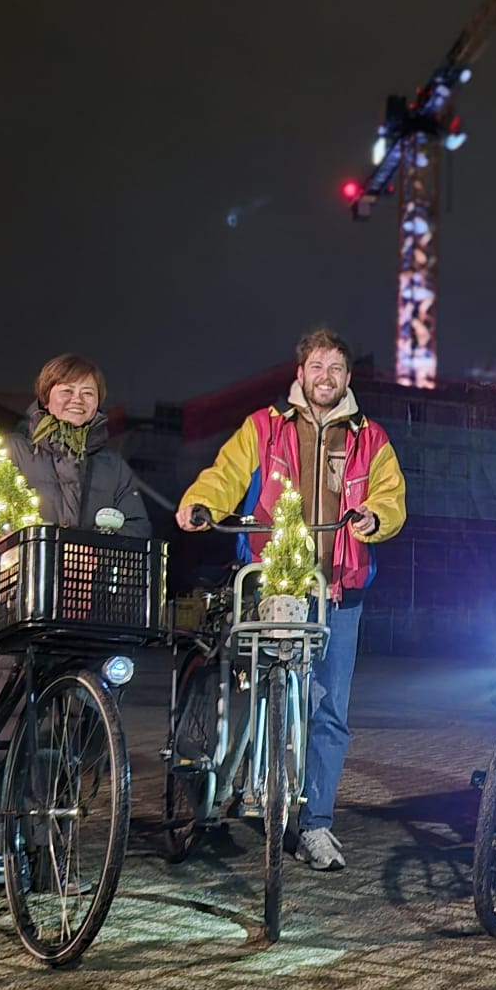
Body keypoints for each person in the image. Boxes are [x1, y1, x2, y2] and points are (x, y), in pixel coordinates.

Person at [175, 328, 406, 871]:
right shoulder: (264, 427)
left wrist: (375, 518)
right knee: (251, 693)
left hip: (338, 591)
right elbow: (224, 476)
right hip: (271, 586)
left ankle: (317, 825)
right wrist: (201, 504)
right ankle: (221, 789)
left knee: (330, 711)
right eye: (316, 367)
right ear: (300, 374)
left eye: (336, 369)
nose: (325, 378)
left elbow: (390, 498)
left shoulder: (372, 438)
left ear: (347, 378)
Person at [0, 354, 150, 726]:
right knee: (7, 711)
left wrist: (110, 538)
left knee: (81, 721)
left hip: (86, 605)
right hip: (18, 600)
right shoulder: (15, 450)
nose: (77, 399)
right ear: (45, 396)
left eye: (88, 392)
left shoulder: (113, 466)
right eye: (66, 390)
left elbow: (138, 525)